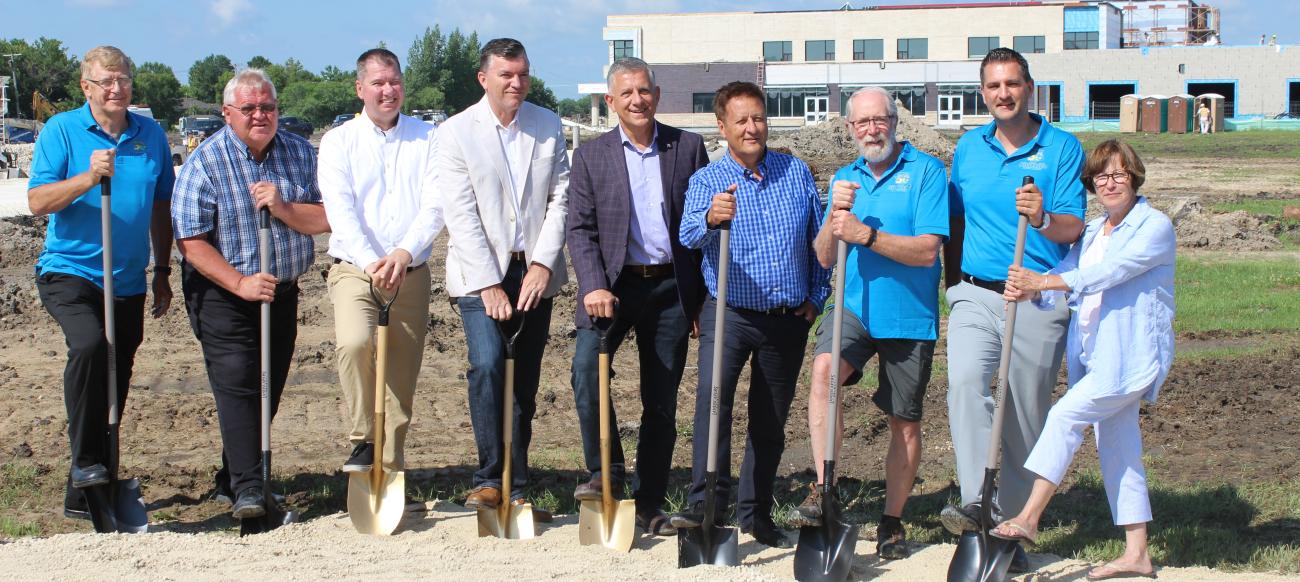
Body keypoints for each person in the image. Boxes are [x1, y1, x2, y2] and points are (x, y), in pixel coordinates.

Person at [993, 139, 1174, 582]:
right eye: (1100, 177)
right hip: (1095, 357)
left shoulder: (1155, 226)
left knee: (1065, 415)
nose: (1109, 183)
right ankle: (1137, 553)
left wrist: (1047, 279)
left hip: (1129, 359)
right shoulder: (1094, 231)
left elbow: (1106, 274)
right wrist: (1032, 290)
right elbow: (1068, 286)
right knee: (1119, 449)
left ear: (1134, 176)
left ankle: (1029, 517)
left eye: (1118, 174)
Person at [942, 47, 1087, 572]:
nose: (1003, 94)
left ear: (1029, 87)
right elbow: (954, 223)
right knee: (964, 384)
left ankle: (1013, 524)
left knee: (1025, 414)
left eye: (1012, 84)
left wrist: (1044, 216)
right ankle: (978, 505)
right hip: (978, 292)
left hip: (1035, 293)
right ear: (984, 92)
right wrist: (953, 285)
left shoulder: (1063, 147)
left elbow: (1075, 226)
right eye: (993, 86)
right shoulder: (968, 148)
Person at [789, 86, 948, 560]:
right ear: (850, 129)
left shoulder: (926, 172)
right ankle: (824, 489)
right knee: (822, 373)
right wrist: (835, 215)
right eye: (863, 123)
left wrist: (866, 235)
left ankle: (892, 521)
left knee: (905, 422)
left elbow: (927, 251)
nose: (872, 129)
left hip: (909, 315)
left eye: (881, 120)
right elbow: (823, 256)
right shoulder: (845, 176)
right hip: (853, 308)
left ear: (896, 122)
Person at [671, 81, 831, 549]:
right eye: (740, 120)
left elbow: (818, 242)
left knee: (769, 420)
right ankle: (705, 507)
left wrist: (817, 297)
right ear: (722, 127)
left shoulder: (795, 171)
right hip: (730, 313)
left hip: (786, 318)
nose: (752, 127)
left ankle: (755, 512)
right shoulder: (708, 182)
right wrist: (710, 219)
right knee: (713, 406)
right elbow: (687, 236)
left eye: (758, 118)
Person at [172, 69, 329, 518]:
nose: (260, 115)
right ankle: (249, 492)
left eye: (268, 107)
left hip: (280, 291)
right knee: (240, 382)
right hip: (222, 291)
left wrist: (282, 208)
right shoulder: (207, 161)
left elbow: (325, 217)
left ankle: (232, 474)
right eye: (249, 108)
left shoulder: (300, 153)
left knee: (269, 387)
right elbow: (190, 240)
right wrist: (240, 283)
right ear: (227, 114)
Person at [28, 46, 174, 522]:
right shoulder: (61, 130)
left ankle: (95, 478)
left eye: (124, 79)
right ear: (86, 87)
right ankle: (85, 465)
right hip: (70, 271)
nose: (117, 89)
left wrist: (163, 272)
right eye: (107, 81)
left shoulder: (149, 134)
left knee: (118, 372)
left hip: (128, 279)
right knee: (91, 346)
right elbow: (37, 201)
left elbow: (160, 207)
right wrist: (89, 177)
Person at [565, 57, 709, 537]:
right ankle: (604, 472)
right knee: (586, 370)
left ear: (657, 94)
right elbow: (580, 228)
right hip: (614, 285)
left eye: (644, 91)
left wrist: (700, 301)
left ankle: (648, 503)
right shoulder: (591, 156)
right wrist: (593, 285)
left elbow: (704, 231)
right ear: (611, 102)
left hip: (671, 288)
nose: (637, 100)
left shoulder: (687, 148)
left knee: (661, 400)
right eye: (626, 93)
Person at [437, 38, 568, 519]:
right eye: (507, 75)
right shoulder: (454, 133)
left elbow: (562, 198)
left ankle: (517, 482)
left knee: (524, 379)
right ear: (483, 78)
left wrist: (542, 263)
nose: (517, 83)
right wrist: (488, 282)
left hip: (534, 272)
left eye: (523, 74)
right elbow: (461, 213)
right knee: (490, 365)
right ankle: (489, 478)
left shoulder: (548, 124)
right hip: (479, 275)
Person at [318, 48, 444, 475]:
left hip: (410, 272)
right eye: (377, 83)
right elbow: (340, 209)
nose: (387, 91)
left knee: (400, 376)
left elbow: (435, 204)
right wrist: (375, 261)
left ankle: (389, 469)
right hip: (356, 268)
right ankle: (363, 440)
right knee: (355, 344)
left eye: (394, 82)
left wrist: (404, 252)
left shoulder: (429, 138)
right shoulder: (339, 141)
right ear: (360, 89)